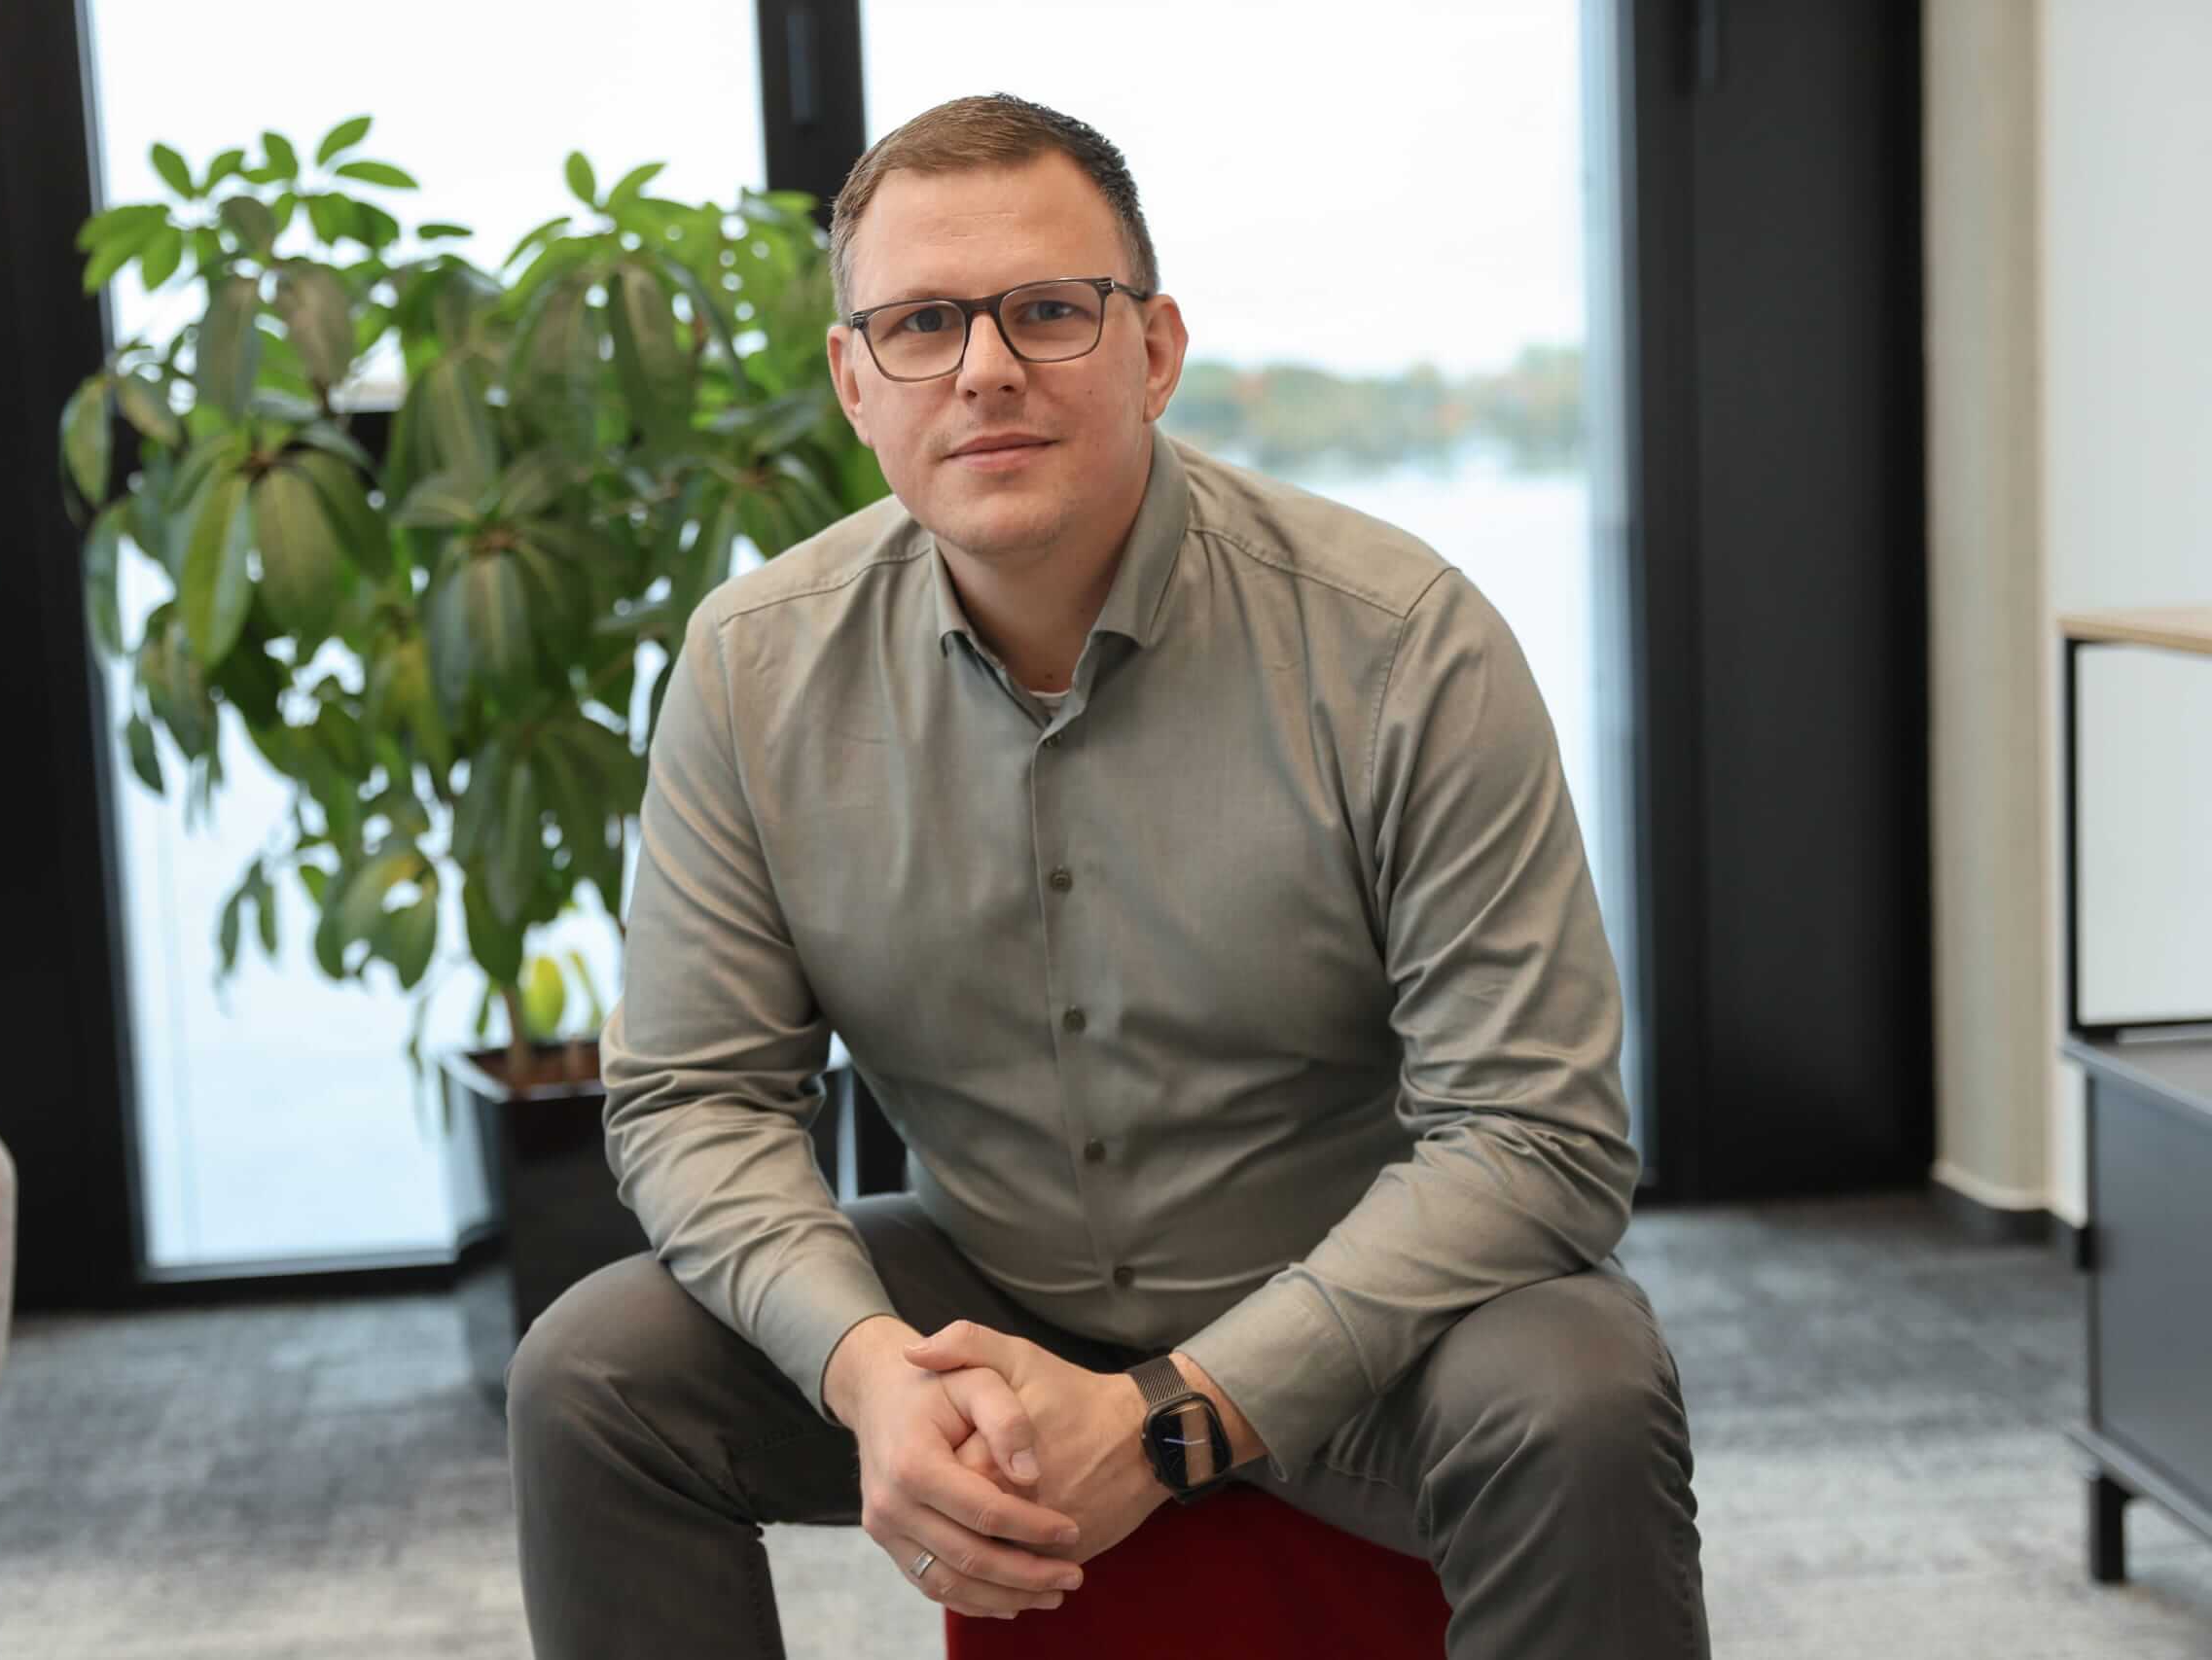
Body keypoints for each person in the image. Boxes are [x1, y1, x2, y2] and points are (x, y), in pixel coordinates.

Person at [506, 90, 1709, 1659]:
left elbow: (1537, 1136)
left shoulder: (1404, 645)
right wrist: (868, 1365)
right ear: (854, 382)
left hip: (1366, 1327)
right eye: (925, 321)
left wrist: (1170, 1423)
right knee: (595, 1377)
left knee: (1579, 1392)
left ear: (1153, 349)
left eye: (1050, 310)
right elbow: (695, 1101)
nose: (987, 366)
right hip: (984, 1297)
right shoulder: (752, 672)